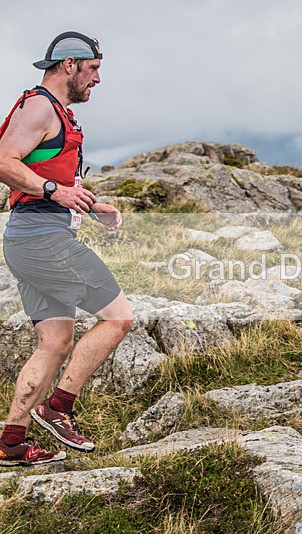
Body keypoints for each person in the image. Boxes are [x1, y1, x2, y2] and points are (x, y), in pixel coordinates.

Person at [0, 31, 133, 466]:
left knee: (54, 342)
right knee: (118, 319)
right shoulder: (39, 105)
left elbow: (51, 176)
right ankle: (57, 408)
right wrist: (55, 191)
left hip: (32, 238)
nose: (97, 79)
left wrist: (92, 204)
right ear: (70, 65)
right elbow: (3, 161)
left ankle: (11, 441)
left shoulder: (59, 114)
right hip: (42, 240)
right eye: (93, 69)